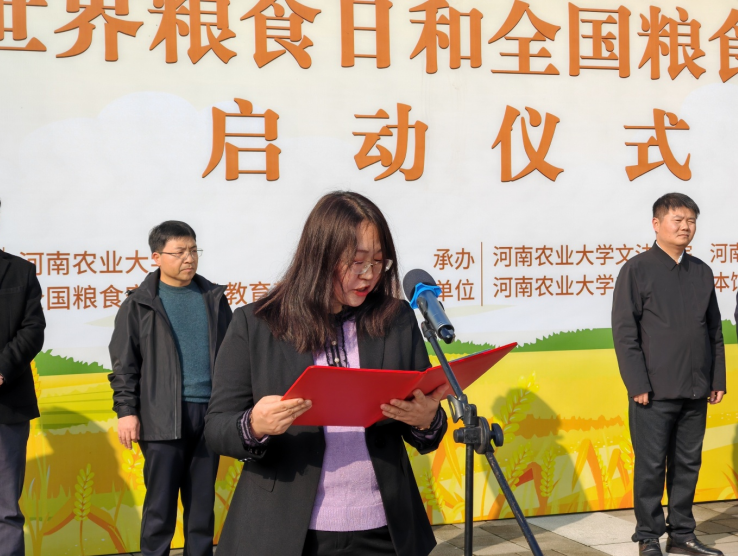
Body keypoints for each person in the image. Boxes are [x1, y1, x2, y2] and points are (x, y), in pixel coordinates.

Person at [205, 191, 449, 556]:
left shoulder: (396, 319)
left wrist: (426, 420)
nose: (369, 276)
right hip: (286, 532)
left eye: (378, 262)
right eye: (357, 263)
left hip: (383, 528)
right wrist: (254, 425)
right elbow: (216, 428)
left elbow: (425, 427)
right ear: (319, 256)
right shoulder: (256, 324)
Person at [108, 221, 232, 556]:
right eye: (179, 252)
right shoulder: (139, 305)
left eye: (193, 250)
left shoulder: (214, 299)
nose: (189, 258)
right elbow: (124, 365)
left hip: (210, 416)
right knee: (160, 509)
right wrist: (126, 412)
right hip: (161, 416)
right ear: (156, 257)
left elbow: (233, 356)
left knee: (202, 509)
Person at [612, 193, 726, 556]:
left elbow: (714, 330)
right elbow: (625, 333)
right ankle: (648, 536)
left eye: (691, 220)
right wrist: (637, 383)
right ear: (656, 224)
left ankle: (682, 534)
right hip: (653, 391)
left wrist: (716, 379)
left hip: (695, 388)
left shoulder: (701, 271)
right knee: (650, 466)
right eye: (677, 220)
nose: (685, 227)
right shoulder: (637, 269)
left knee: (687, 464)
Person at [0, 201, 46, 556]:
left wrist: (2, 368)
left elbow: (33, 330)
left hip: (7, 407)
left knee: (5, 509)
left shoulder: (20, 271)